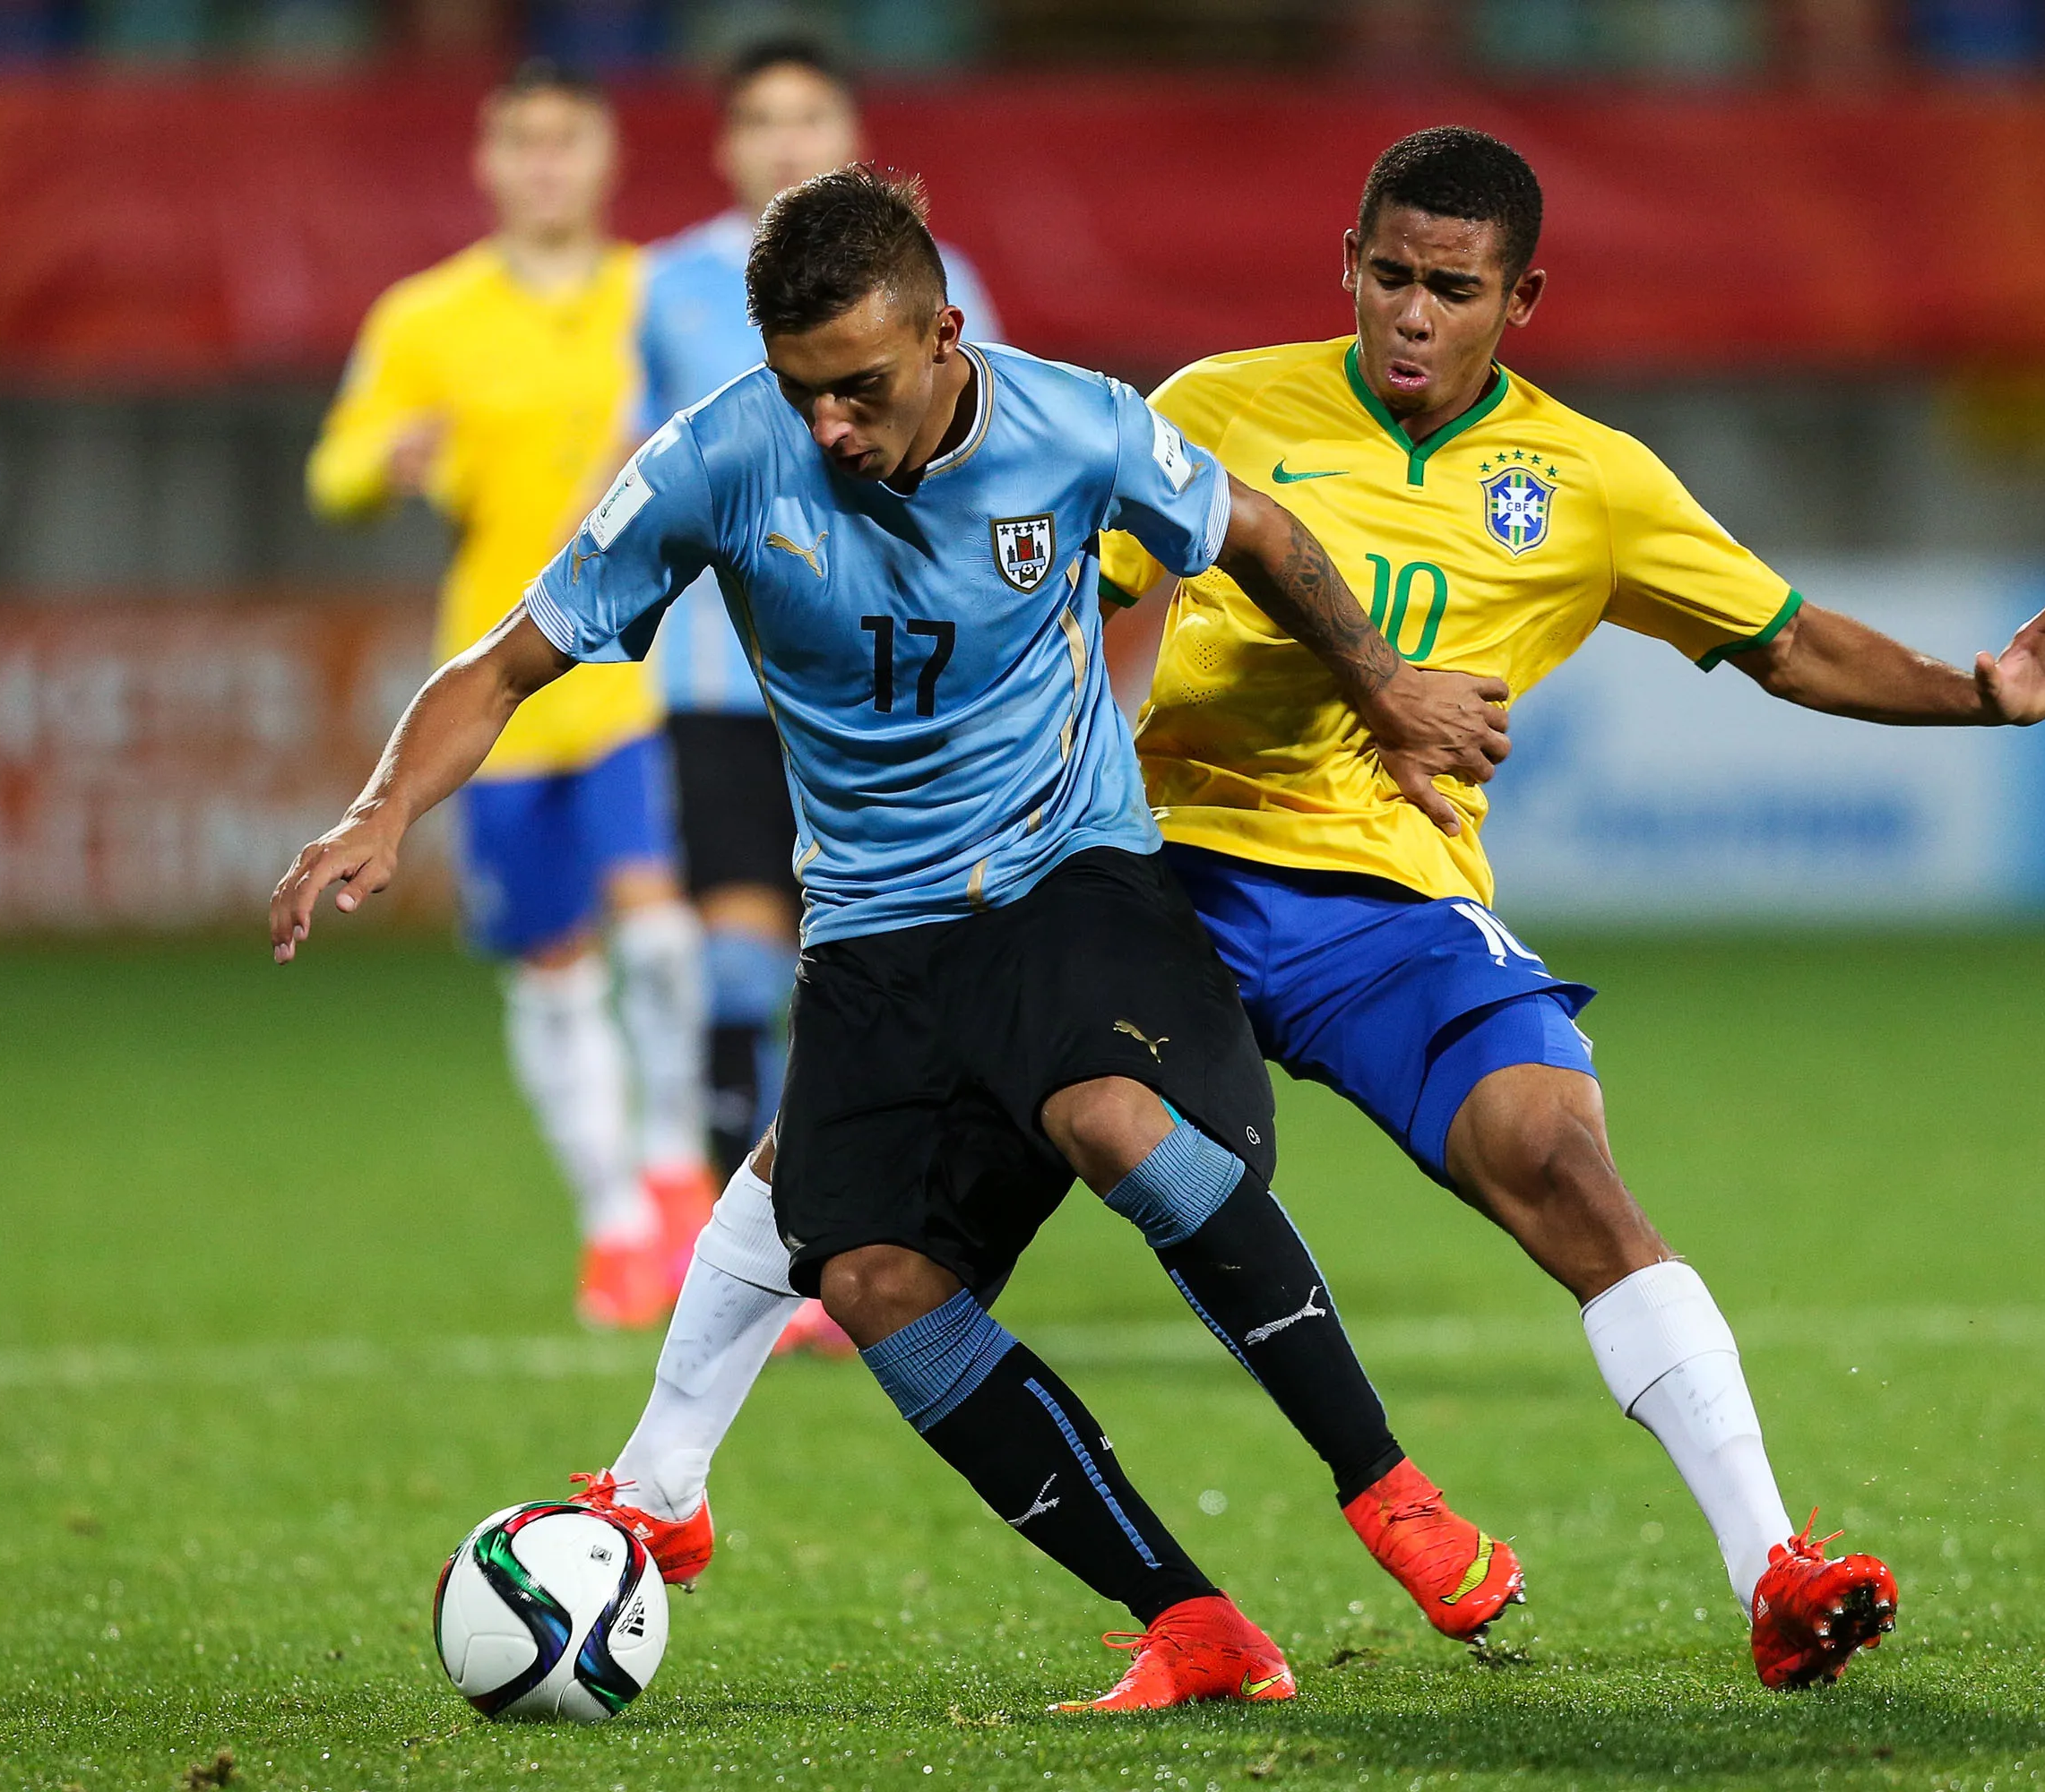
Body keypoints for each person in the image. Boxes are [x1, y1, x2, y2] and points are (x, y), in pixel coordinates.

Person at [565, 128, 2045, 1693]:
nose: (1412, 313)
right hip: (1152, 869)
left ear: (1521, 299)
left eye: (1453, 289)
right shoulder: (1216, 405)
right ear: (1347, 266)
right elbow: (1042, 591)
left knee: (1559, 1159)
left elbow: (1786, 641)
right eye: (1389, 275)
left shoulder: (1595, 483)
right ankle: (660, 1481)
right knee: (841, 1173)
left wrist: (1980, 692)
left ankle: (1774, 1569)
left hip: (1385, 900)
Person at [272, 167, 1520, 1710]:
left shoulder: (1074, 426)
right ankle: (1193, 1623)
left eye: (859, 388)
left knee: (1111, 1116)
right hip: (873, 932)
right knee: (868, 1281)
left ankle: (1385, 1486)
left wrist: (1383, 685)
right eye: (801, 390)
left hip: (1072, 880)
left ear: (943, 336)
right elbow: (506, 661)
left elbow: (1256, 529)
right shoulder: (716, 459)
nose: (830, 427)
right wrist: (382, 809)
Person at [305, 59, 712, 1331]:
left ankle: (678, 1175)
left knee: (662, 930)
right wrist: (384, 461)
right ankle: (614, 1226)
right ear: (487, 163)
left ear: (606, 157)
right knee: (552, 965)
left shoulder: (659, 294)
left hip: (642, 671)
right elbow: (335, 471)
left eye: (565, 140)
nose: (544, 164)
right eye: (521, 142)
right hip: (500, 681)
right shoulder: (429, 316)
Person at [630, 36, 1005, 1359]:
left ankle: (880, 1236)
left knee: (879, 984)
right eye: (761, 119)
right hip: (727, 683)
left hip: (896, 690)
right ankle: (764, 1261)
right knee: (738, 969)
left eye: (810, 116)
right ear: (725, 143)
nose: (785, 140)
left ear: (852, 135)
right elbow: (638, 464)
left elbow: (988, 461)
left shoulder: (941, 288)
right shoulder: (664, 286)